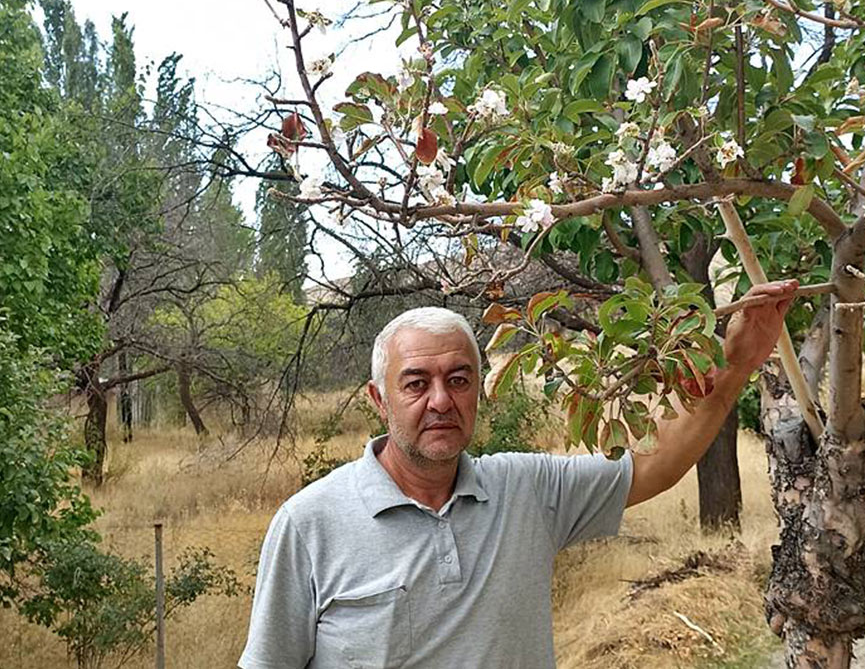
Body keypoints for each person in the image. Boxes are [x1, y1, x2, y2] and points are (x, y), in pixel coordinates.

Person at [238, 280, 800, 669]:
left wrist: (737, 362)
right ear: (378, 400)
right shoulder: (309, 524)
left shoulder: (525, 491)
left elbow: (653, 465)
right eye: (415, 384)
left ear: (479, 392)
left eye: (459, 380)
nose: (440, 401)